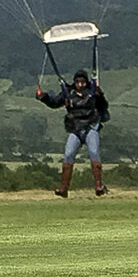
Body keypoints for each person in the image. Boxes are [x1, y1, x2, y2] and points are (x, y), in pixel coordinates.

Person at [36, 69, 109, 197]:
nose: (80, 84)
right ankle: (64, 188)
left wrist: (100, 96)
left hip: (90, 127)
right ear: (74, 82)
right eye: (77, 82)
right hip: (75, 129)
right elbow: (55, 103)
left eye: (82, 82)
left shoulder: (93, 93)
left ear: (86, 82)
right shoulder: (68, 94)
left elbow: (104, 106)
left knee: (94, 153)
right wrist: (44, 97)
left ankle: (99, 185)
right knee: (68, 155)